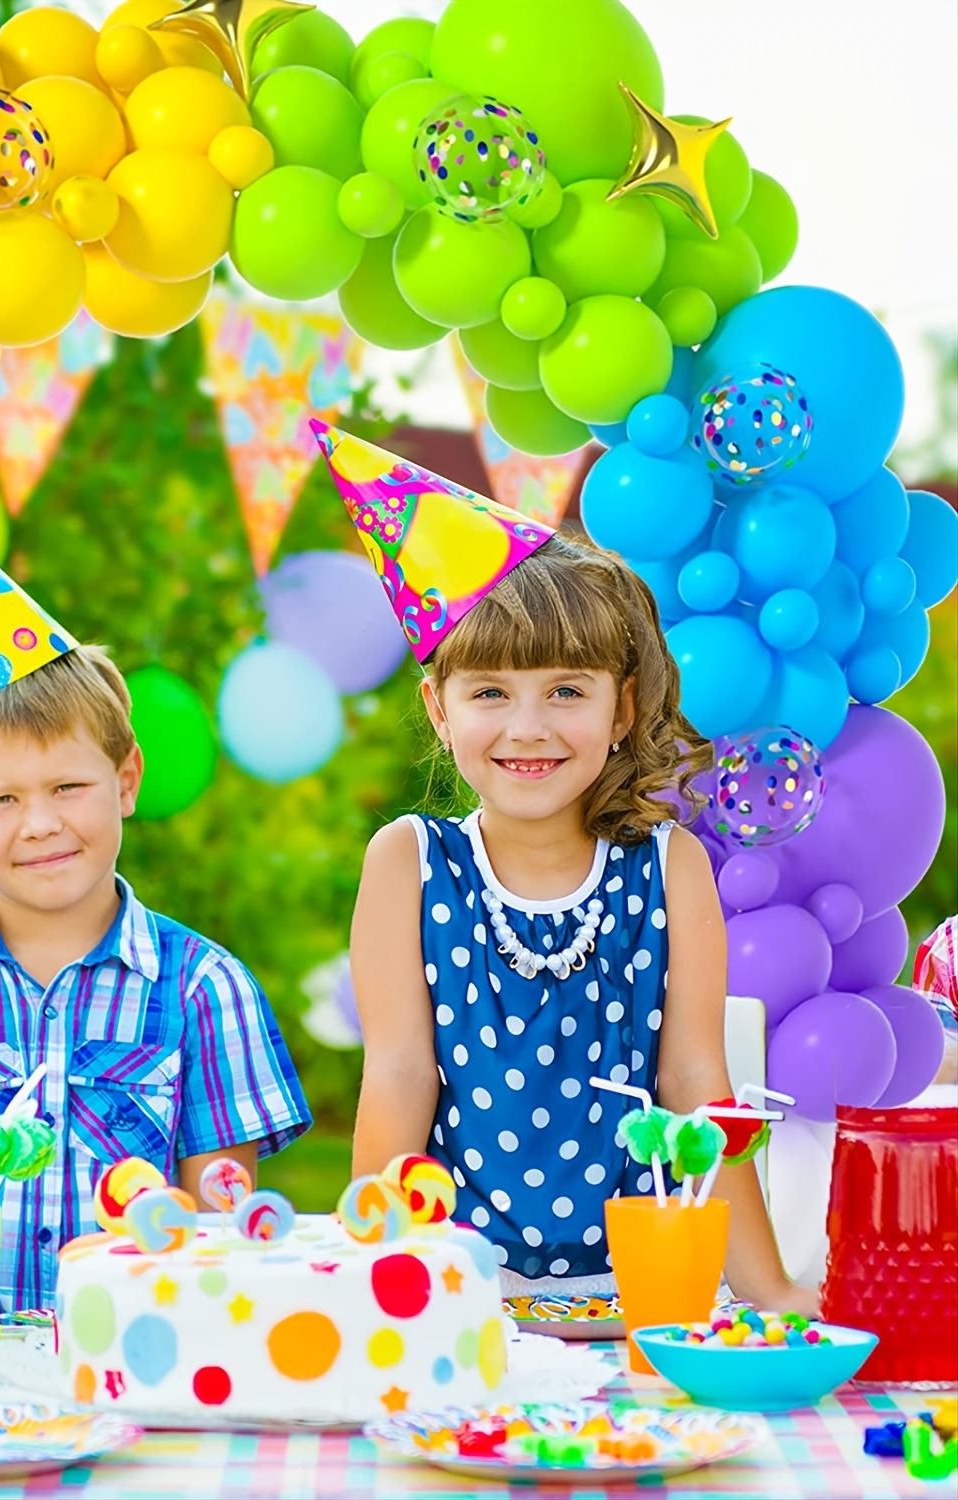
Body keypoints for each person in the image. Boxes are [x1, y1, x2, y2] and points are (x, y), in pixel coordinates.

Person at [311, 420, 818, 1316]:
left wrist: (771, 1290)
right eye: (491, 693)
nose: (529, 727)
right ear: (439, 709)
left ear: (622, 708)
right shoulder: (410, 864)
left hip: (647, 1291)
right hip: (459, 1292)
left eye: (567, 692)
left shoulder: (670, 867)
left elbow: (697, 1084)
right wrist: (380, 1280)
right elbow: (398, 1075)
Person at [0, 482, 309, 1312]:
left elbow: (223, 1229)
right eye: (1, 800)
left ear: (127, 780)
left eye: (69, 786)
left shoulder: (203, 990)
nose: (39, 824)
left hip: (141, 1362)